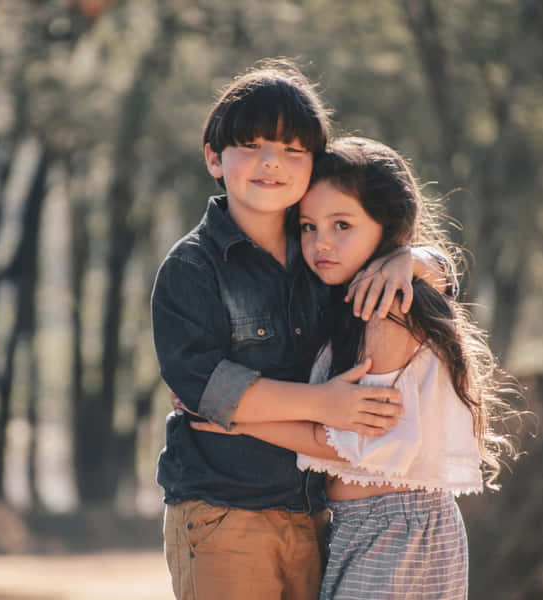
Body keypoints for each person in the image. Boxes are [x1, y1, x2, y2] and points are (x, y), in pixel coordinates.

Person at [151, 61, 444, 600]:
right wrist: (322, 404)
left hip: (314, 513)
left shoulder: (322, 251)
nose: (272, 163)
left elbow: (432, 277)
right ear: (214, 158)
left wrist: (413, 257)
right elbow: (206, 389)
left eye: (292, 150)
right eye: (253, 145)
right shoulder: (193, 268)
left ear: (314, 163)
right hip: (223, 510)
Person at [192, 137, 518, 599]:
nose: (321, 243)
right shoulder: (352, 298)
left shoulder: (387, 313)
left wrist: (232, 417)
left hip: (398, 532)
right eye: (307, 227)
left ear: (387, 226)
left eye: (341, 224)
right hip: (362, 527)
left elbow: (352, 445)